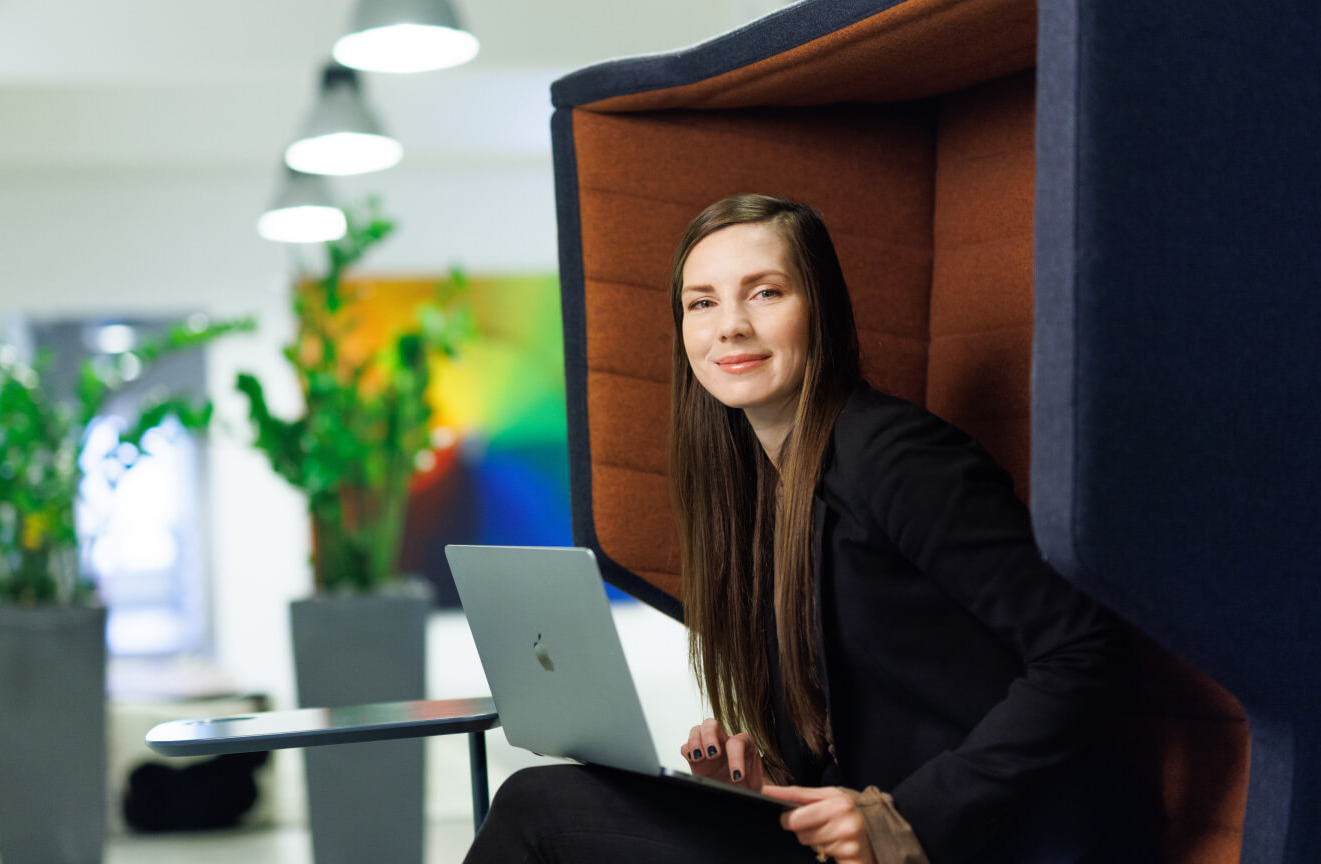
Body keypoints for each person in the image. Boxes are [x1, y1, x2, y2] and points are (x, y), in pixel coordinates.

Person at [464, 194, 1137, 863]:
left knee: (534, 810)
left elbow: (1087, 652)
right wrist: (765, 787)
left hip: (983, 841)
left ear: (820, 309)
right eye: (702, 302)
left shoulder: (897, 456)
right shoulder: (756, 495)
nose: (729, 326)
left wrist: (905, 817)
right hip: (857, 840)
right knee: (544, 804)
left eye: (764, 293)